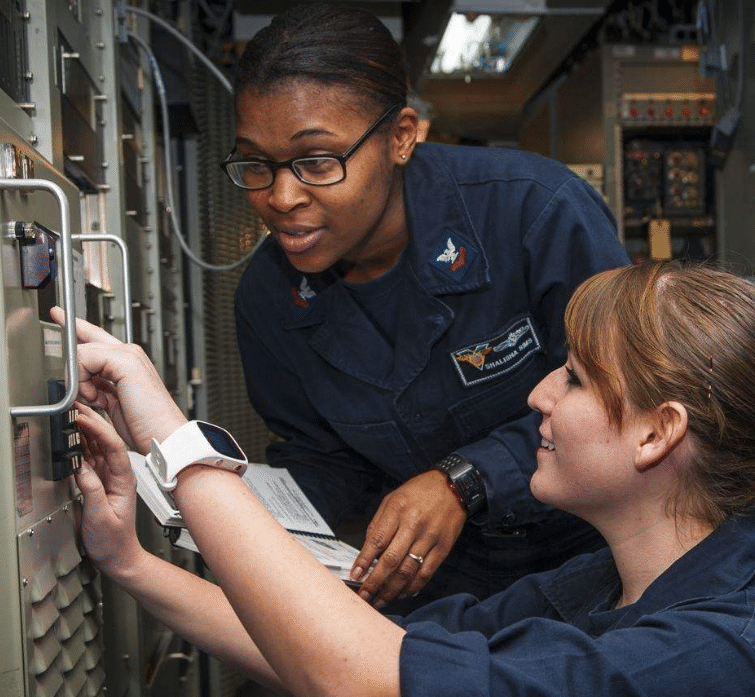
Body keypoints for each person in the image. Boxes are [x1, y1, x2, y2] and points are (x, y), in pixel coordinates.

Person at [58, 259, 755, 697]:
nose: (539, 394)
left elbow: (365, 693)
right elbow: (367, 652)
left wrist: (168, 432)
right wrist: (132, 562)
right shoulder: (610, 581)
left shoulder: (717, 661)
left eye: (575, 379)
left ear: (658, 432)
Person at [224, 4, 630, 610]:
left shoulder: (537, 213)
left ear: (402, 137)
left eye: (316, 162)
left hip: (599, 554)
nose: (281, 198)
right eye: (257, 164)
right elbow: (323, 460)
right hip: (441, 586)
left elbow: (624, 395)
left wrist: (465, 481)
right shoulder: (267, 299)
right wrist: (239, 515)